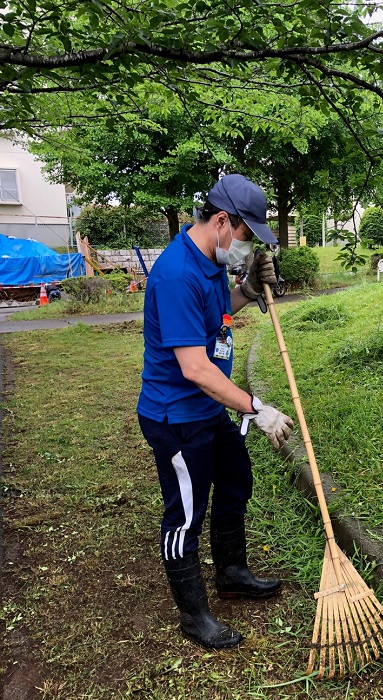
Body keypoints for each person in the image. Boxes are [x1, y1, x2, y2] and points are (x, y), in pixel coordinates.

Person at [137, 174, 294, 650]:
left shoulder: (207, 263)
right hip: (176, 415)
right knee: (185, 513)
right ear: (222, 222)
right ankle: (194, 616)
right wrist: (256, 407)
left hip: (206, 410)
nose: (246, 248)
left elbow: (217, 314)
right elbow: (196, 368)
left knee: (234, 478)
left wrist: (247, 288)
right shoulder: (177, 273)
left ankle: (231, 574)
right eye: (247, 238)